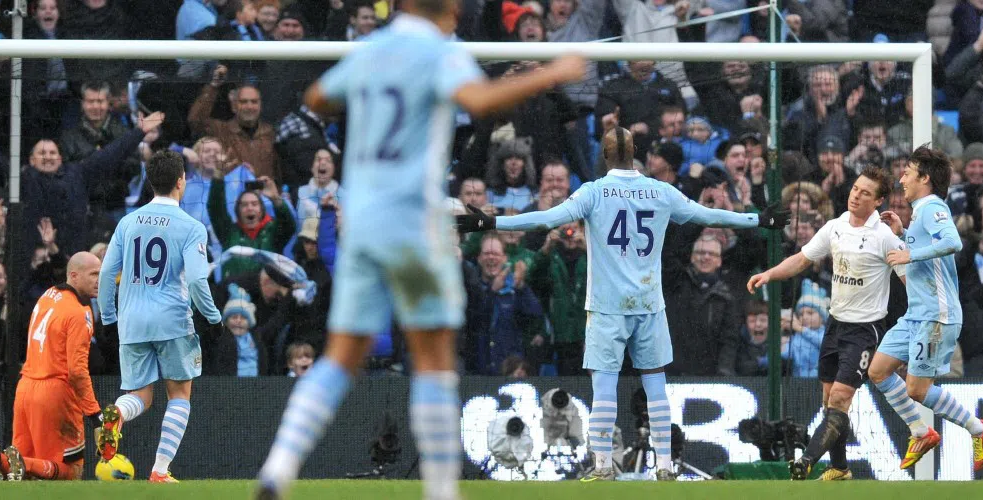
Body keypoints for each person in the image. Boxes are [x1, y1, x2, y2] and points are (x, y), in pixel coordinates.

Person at [253, 0, 587, 498]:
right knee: (434, 361)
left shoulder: (373, 49)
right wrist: (551, 73)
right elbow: (479, 100)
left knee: (340, 357)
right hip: (413, 219)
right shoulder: (439, 52)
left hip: (362, 220)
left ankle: (277, 469)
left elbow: (318, 96)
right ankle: (441, 490)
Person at [456, 127, 789, 481]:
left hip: (607, 306)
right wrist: (758, 219)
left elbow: (546, 219)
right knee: (656, 386)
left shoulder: (594, 192)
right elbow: (707, 216)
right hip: (649, 303)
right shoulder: (660, 191)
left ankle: (602, 464)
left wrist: (491, 221)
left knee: (604, 386)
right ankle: (664, 465)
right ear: (634, 152)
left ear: (604, 155)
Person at [747, 166, 907, 480]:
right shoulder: (835, 227)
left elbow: (908, 280)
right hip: (835, 326)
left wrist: (919, 325)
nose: (856, 195)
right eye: (855, 188)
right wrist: (769, 274)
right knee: (829, 402)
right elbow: (802, 259)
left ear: (878, 202)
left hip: (864, 331)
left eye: (865, 193)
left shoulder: (885, 237)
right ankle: (840, 468)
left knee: (840, 399)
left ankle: (805, 462)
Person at [96, 151, 223, 483]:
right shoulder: (191, 227)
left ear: (151, 182)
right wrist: (213, 318)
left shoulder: (128, 222)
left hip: (132, 322)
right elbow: (197, 280)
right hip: (173, 321)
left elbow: (106, 273)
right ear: (181, 181)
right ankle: (160, 470)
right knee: (179, 395)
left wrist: (108, 318)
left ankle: (117, 412)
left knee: (140, 395)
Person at [869, 146, 983, 472]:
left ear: (924, 178)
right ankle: (920, 431)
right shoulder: (919, 213)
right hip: (915, 314)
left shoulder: (933, 207)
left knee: (917, 389)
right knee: (878, 371)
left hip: (936, 315)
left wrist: (908, 254)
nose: (901, 180)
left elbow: (952, 242)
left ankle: (979, 428)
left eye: (907, 173)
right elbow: (931, 249)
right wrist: (904, 234)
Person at [0, 252, 103, 481]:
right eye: (94, 274)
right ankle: (17, 462)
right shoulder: (80, 312)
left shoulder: (48, 295)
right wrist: (95, 413)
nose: (100, 280)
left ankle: (2, 462)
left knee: (27, 474)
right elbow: (77, 371)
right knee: (71, 471)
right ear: (74, 276)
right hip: (54, 393)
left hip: (25, 388)